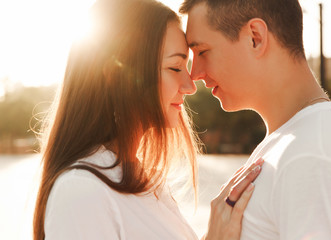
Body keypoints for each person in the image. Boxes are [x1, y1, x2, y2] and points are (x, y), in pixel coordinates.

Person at [32, 0, 264, 239]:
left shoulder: (147, 184)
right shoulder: (81, 190)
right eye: (175, 67)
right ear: (118, 76)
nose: (189, 86)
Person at [180, 0, 331, 239]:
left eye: (202, 52)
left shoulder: (314, 159)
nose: (195, 74)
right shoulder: (296, 144)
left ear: (255, 37)